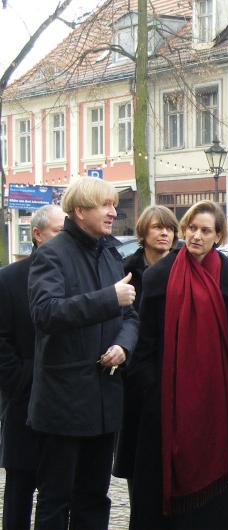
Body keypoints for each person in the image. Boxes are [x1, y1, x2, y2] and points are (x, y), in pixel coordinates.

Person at [127, 200, 228, 529]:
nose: (196, 236)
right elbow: (145, 343)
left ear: (219, 236)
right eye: (192, 228)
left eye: (205, 230)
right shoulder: (159, 276)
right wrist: (155, 390)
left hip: (218, 404)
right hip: (167, 403)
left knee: (219, 506)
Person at [28, 178, 139, 529]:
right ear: (80, 211)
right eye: (105, 205)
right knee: (55, 498)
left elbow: (130, 316)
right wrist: (108, 299)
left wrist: (123, 346)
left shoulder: (110, 252)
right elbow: (46, 313)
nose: (113, 212)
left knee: (94, 496)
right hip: (64, 402)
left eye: (113, 204)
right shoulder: (51, 254)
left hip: (104, 400)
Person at [0, 204, 65, 529]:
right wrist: (23, 379)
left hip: (65, 407)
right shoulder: (9, 279)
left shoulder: (74, 276)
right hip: (24, 403)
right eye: (57, 231)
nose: (63, 238)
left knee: (57, 499)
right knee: (18, 498)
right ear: (37, 235)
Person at [113, 206, 179, 494]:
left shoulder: (182, 267)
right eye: (157, 227)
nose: (164, 233)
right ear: (143, 232)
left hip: (175, 371)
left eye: (169, 228)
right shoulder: (125, 269)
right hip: (135, 373)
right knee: (137, 452)